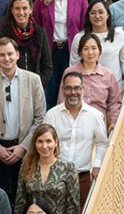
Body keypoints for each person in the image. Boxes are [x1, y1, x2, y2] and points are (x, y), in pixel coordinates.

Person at [0, 36, 46, 208]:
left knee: (25, 199)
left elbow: (40, 117)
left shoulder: (33, 80)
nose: (7, 58)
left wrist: (23, 147)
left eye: (10, 54)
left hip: (25, 151)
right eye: (2, 55)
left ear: (17, 55)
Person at [45, 71, 109, 206]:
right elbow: (44, 143)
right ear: (63, 90)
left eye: (76, 88)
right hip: (56, 177)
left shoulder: (95, 115)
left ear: (83, 89)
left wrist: (97, 165)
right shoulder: (52, 115)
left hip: (83, 177)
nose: (72, 92)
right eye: (68, 88)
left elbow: (102, 143)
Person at [32, 0, 89, 107]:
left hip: (71, 50)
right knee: (50, 89)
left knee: (69, 86)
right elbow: (37, 25)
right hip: (49, 50)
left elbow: (84, 26)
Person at [14, 123, 81, 214]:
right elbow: (20, 201)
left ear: (56, 143)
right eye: (40, 141)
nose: (44, 146)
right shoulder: (26, 166)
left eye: (48, 141)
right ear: (34, 144)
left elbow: (73, 205)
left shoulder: (68, 168)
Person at [70, 0, 124, 92]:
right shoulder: (79, 37)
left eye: (101, 12)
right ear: (88, 16)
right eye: (93, 13)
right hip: (87, 90)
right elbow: (74, 65)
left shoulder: (119, 35)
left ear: (107, 15)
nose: (97, 16)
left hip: (114, 88)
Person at [63, 33, 122, 127]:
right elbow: (62, 100)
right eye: (85, 49)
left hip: (99, 124)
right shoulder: (70, 72)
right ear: (80, 52)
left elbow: (114, 103)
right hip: (73, 123)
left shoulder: (108, 75)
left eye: (94, 48)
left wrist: (113, 123)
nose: (90, 53)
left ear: (99, 51)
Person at [0, 0, 52, 87]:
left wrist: (37, 85)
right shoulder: (3, 33)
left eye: (25, 8)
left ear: (31, 9)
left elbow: (47, 66)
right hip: (9, 86)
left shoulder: (40, 33)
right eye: (17, 9)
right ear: (12, 10)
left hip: (35, 86)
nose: (21, 12)